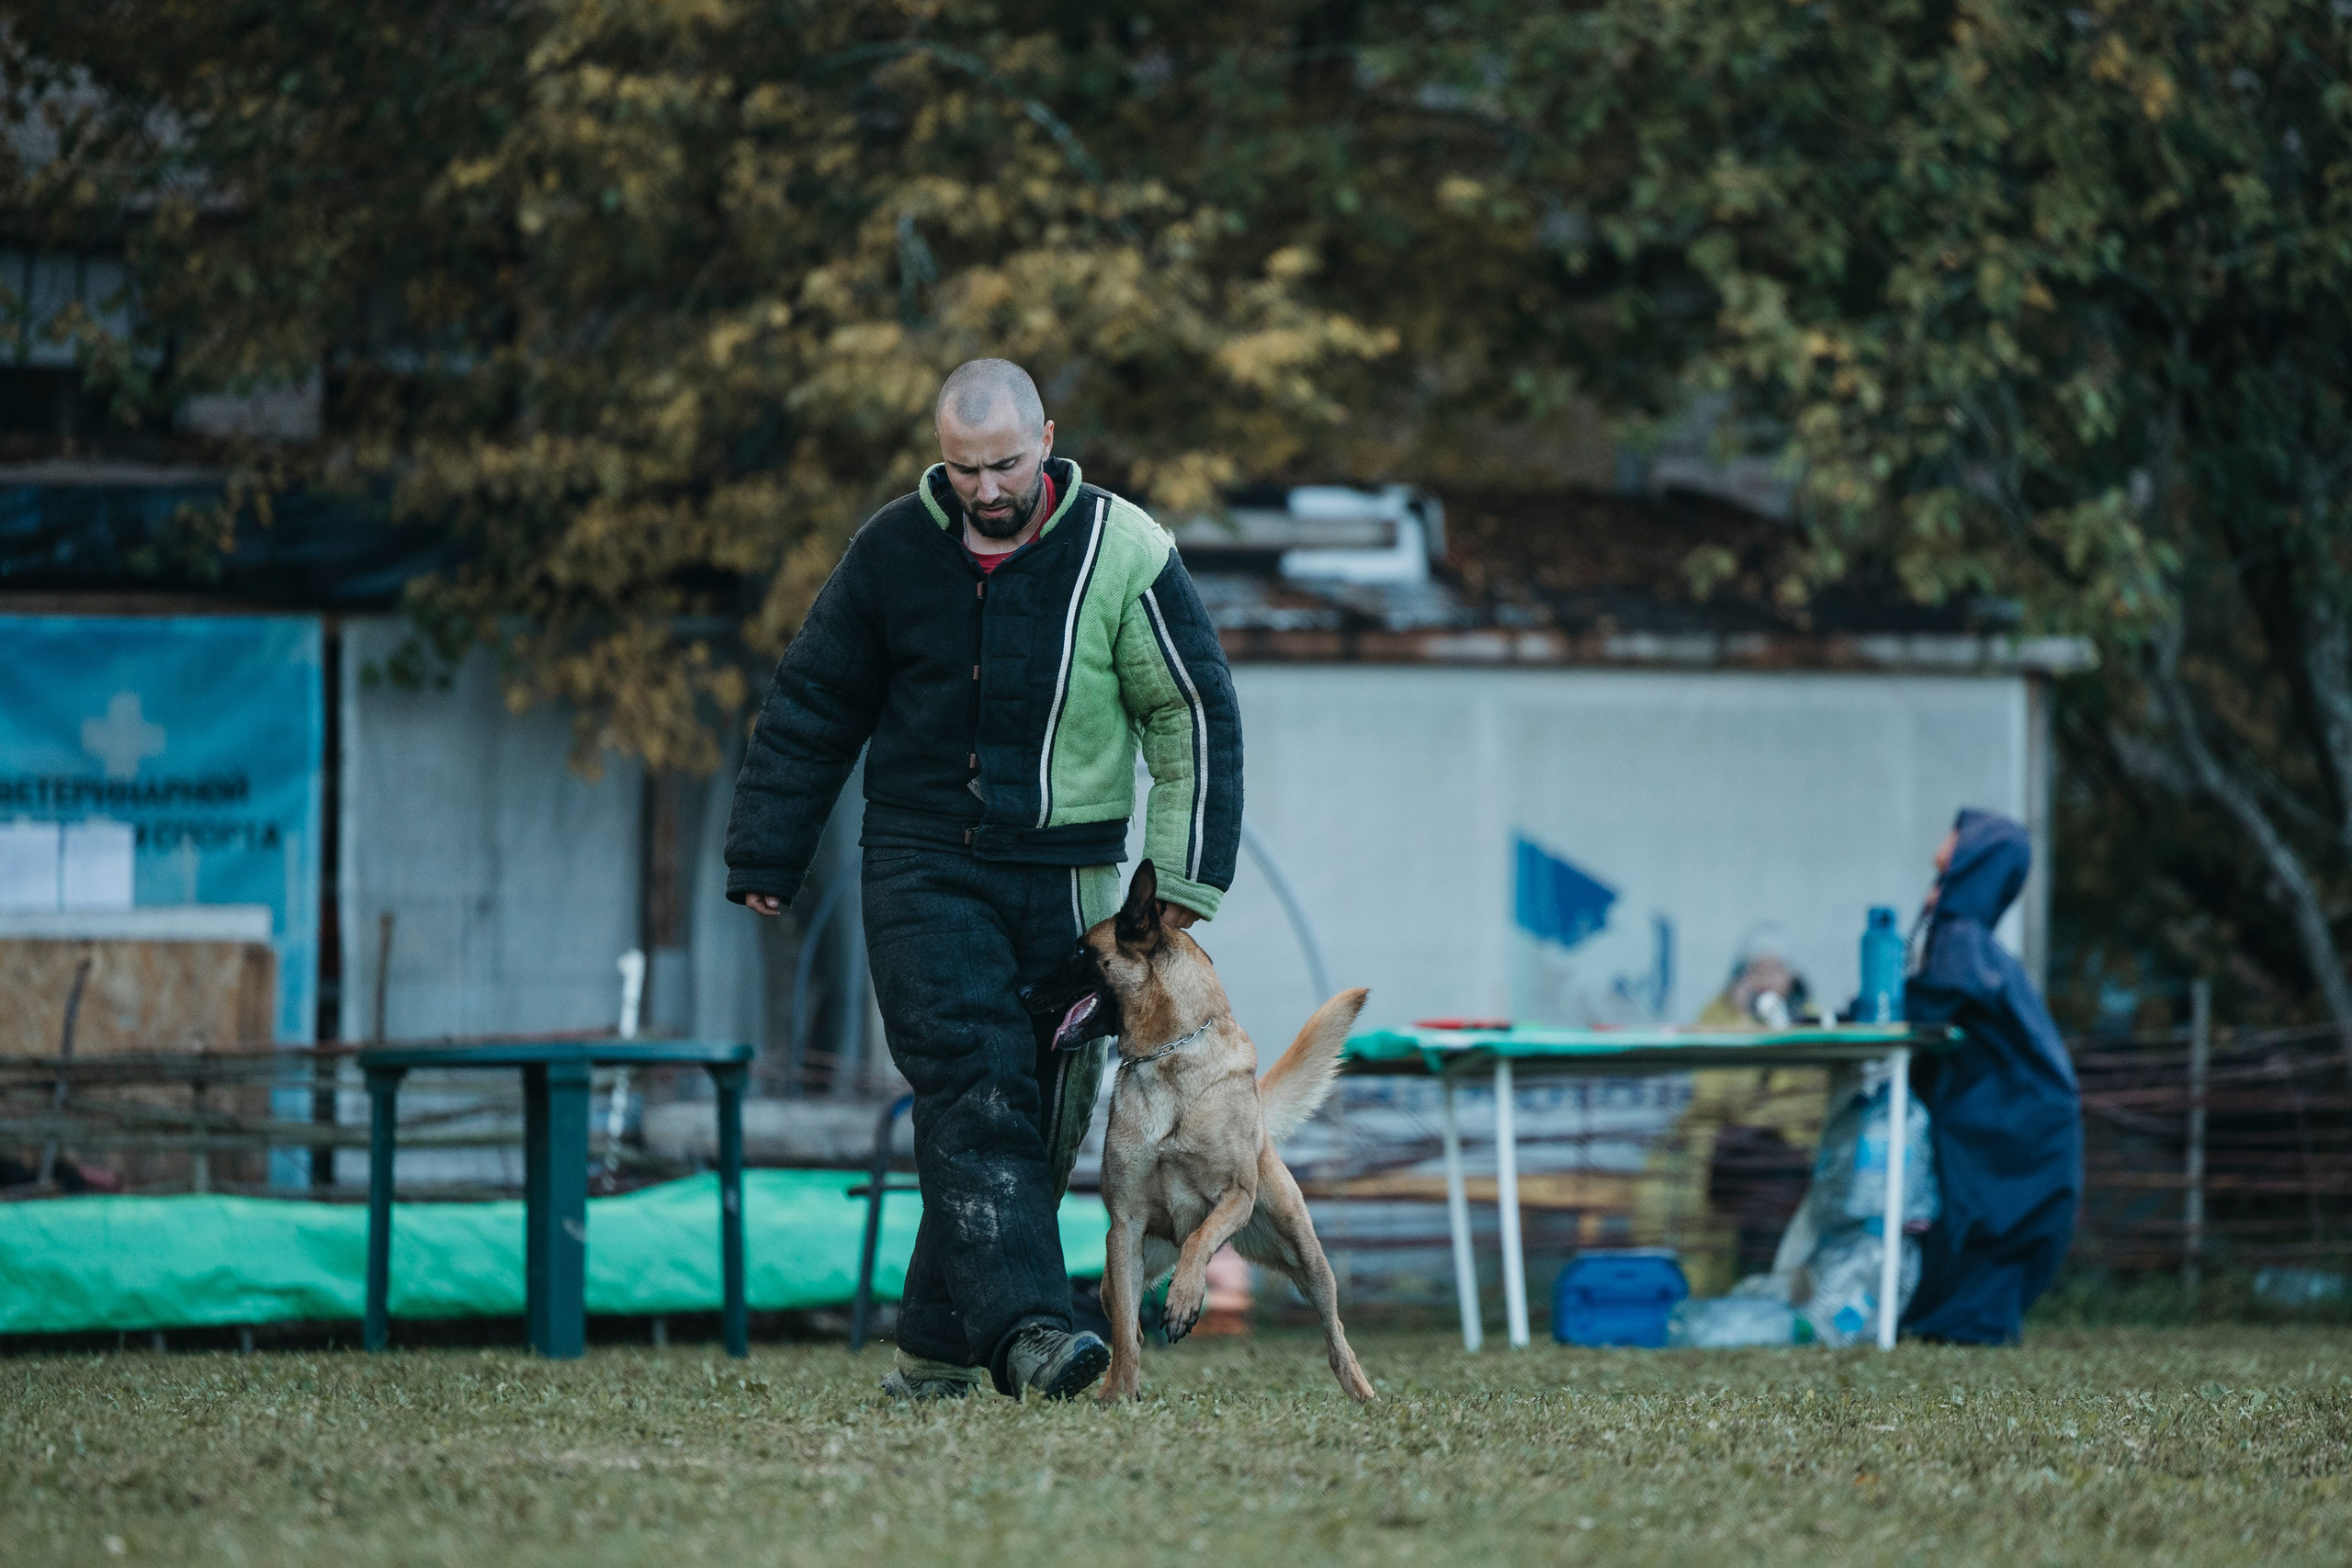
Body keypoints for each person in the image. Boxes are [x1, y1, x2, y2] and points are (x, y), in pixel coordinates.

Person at [723, 358, 1242, 1400]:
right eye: (963, 470)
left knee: (1040, 1111)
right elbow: (815, 699)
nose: (987, 490)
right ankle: (1033, 1335)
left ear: (1046, 437)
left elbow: (1190, 716)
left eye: (1004, 464)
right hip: (920, 864)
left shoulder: (1122, 550)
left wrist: (1183, 879)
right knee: (973, 1078)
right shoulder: (889, 553)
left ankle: (933, 1352)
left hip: (1068, 882)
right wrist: (766, 850)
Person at [1900, 809, 2083, 1343]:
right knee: (1987, 1216)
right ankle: (1962, 1319)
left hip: (2016, 1118)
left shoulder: (1959, 940)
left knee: (1988, 1216)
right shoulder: (1973, 944)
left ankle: (1964, 1321)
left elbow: (1927, 1006)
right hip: (2024, 1115)